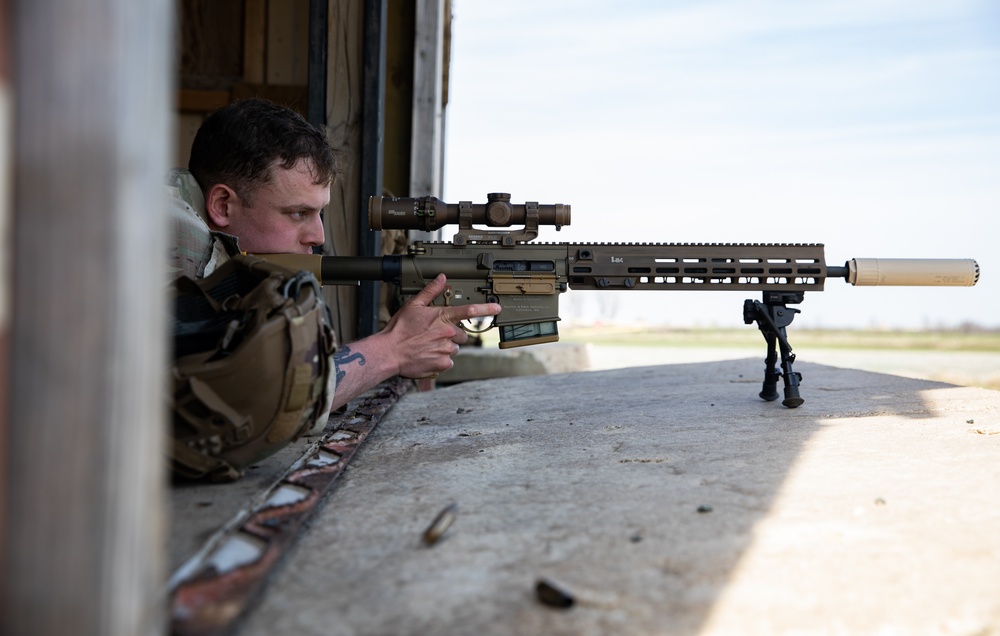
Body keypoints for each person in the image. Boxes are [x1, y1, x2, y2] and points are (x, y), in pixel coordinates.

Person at [170, 97, 501, 412]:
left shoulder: (232, 257)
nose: (318, 236)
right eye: (298, 213)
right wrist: (394, 349)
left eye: (319, 213)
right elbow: (266, 401)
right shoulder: (171, 234)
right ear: (223, 205)